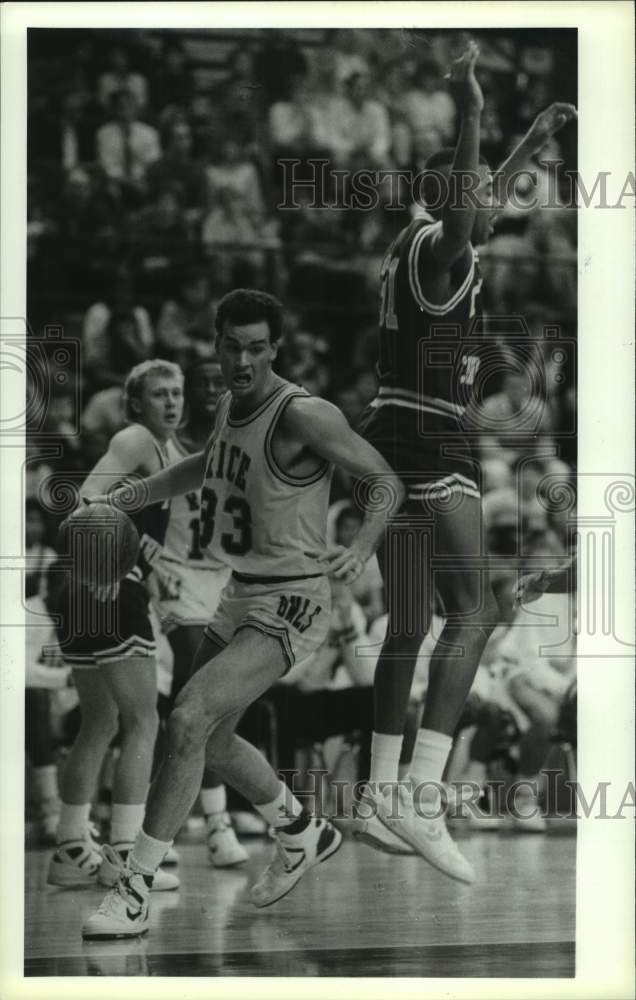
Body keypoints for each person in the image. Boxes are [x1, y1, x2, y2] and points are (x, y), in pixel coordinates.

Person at [82, 288, 404, 939]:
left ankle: (134, 887)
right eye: (232, 345)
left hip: (294, 598)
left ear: (275, 348)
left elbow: (385, 482)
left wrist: (362, 544)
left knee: (190, 717)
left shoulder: (304, 414)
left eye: (257, 347)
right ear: (217, 344)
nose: (243, 359)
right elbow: (208, 465)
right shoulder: (231, 404)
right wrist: (132, 494)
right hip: (239, 591)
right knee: (218, 741)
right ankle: (301, 829)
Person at [356, 41, 576, 879]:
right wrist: (476, 107)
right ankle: (422, 796)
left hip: (388, 432)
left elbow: (471, 202)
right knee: (476, 613)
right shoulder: (437, 249)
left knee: (411, 621)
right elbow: (464, 208)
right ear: (445, 198)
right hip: (428, 436)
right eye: (480, 190)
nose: (493, 205)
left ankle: (379, 791)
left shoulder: (420, 245)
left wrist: (531, 142)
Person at [47, 360, 186, 893]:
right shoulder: (135, 440)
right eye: (159, 394)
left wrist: (154, 576)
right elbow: (83, 499)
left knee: (99, 723)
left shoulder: (166, 452)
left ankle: (71, 847)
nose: (171, 403)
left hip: (82, 591)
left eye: (177, 393)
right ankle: (124, 852)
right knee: (143, 722)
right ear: (135, 404)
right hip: (104, 585)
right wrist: (99, 566)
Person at [156, 358, 248, 867]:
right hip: (173, 578)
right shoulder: (163, 448)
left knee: (211, 709)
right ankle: (215, 823)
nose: (218, 392)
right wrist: (149, 568)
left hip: (224, 582)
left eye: (223, 384)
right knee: (199, 692)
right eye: (207, 385)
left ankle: (177, 820)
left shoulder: (244, 441)